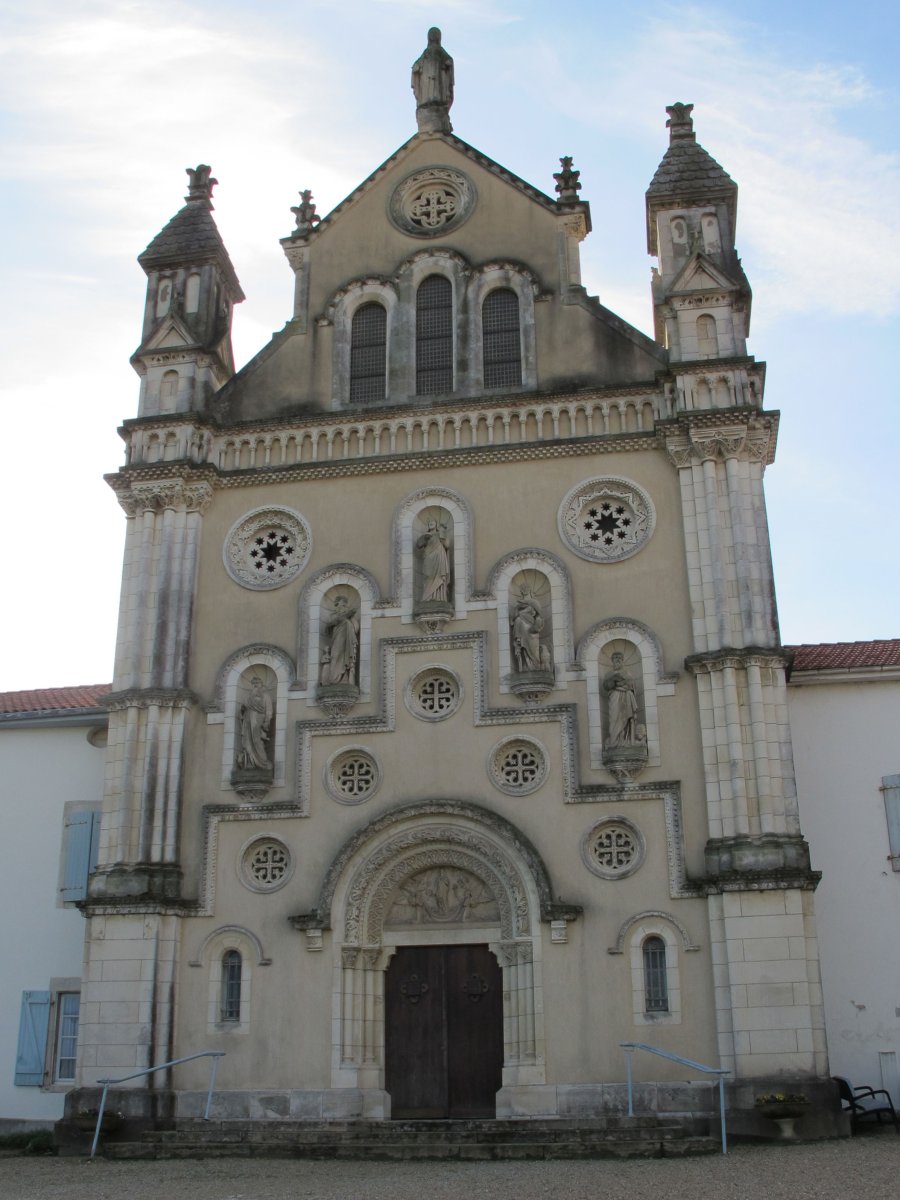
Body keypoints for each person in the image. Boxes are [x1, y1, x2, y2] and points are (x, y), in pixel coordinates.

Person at [411, 27, 454, 132]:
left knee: (436, 92)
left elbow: (449, 60)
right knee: (428, 91)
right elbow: (417, 64)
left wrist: (447, 63)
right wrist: (416, 67)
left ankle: (437, 105)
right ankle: (428, 104)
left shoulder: (441, 52)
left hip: (439, 80)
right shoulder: (426, 53)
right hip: (427, 79)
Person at [320, 595, 360, 686]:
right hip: (337, 638)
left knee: (345, 656)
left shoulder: (349, 617)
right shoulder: (333, 615)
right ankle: (333, 679)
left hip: (347, 640)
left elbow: (356, 628)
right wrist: (344, 617)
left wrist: (350, 618)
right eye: (341, 605)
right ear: (337, 605)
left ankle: (345, 678)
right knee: (335, 655)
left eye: (344, 606)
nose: (343, 607)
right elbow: (329, 626)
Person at [603, 652, 640, 746]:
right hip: (614, 697)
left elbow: (632, 686)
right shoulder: (609, 674)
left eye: (620, 658)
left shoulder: (627, 673)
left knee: (625, 719)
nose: (618, 660)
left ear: (622, 661)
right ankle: (614, 741)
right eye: (615, 658)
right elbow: (606, 686)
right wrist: (614, 680)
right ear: (612, 661)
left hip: (625, 697)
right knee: (614, 718)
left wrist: (621, 684)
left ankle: (625, 739)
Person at [237, 675, 273, 770]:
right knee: (247, 741)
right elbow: (242, 710)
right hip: (247, 720)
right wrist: (242, 710)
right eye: (253, 684)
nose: (255, 685)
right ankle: (249, 762)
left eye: (257, 683)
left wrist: (266, 722)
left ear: (261, 685)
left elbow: (269, 711)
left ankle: (262, 762)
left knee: (257, 741)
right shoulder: (248, 697)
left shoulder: (265, 696)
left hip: (258, 721)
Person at [417, 519, 451, 603]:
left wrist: (442, 535)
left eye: (433, 522)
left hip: (439, 557)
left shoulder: (439, 534)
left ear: (436, 525)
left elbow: (447, 545)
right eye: (429, 522)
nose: (431, 523)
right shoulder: (425, 535)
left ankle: (439, 597)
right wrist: (424, 538)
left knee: (439, 576)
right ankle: (427, 597)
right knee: (428, 576)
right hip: (428, 558)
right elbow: (419, 545)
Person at [511, 597, 545, 672]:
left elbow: (538, 626)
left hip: (533, 636)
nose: (533, 612)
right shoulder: (519, 620)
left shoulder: (535, 618)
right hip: (526, 636)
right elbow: (518, 640)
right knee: (526, 652)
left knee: (534, 653)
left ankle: (535, 667)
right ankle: (526, 667)